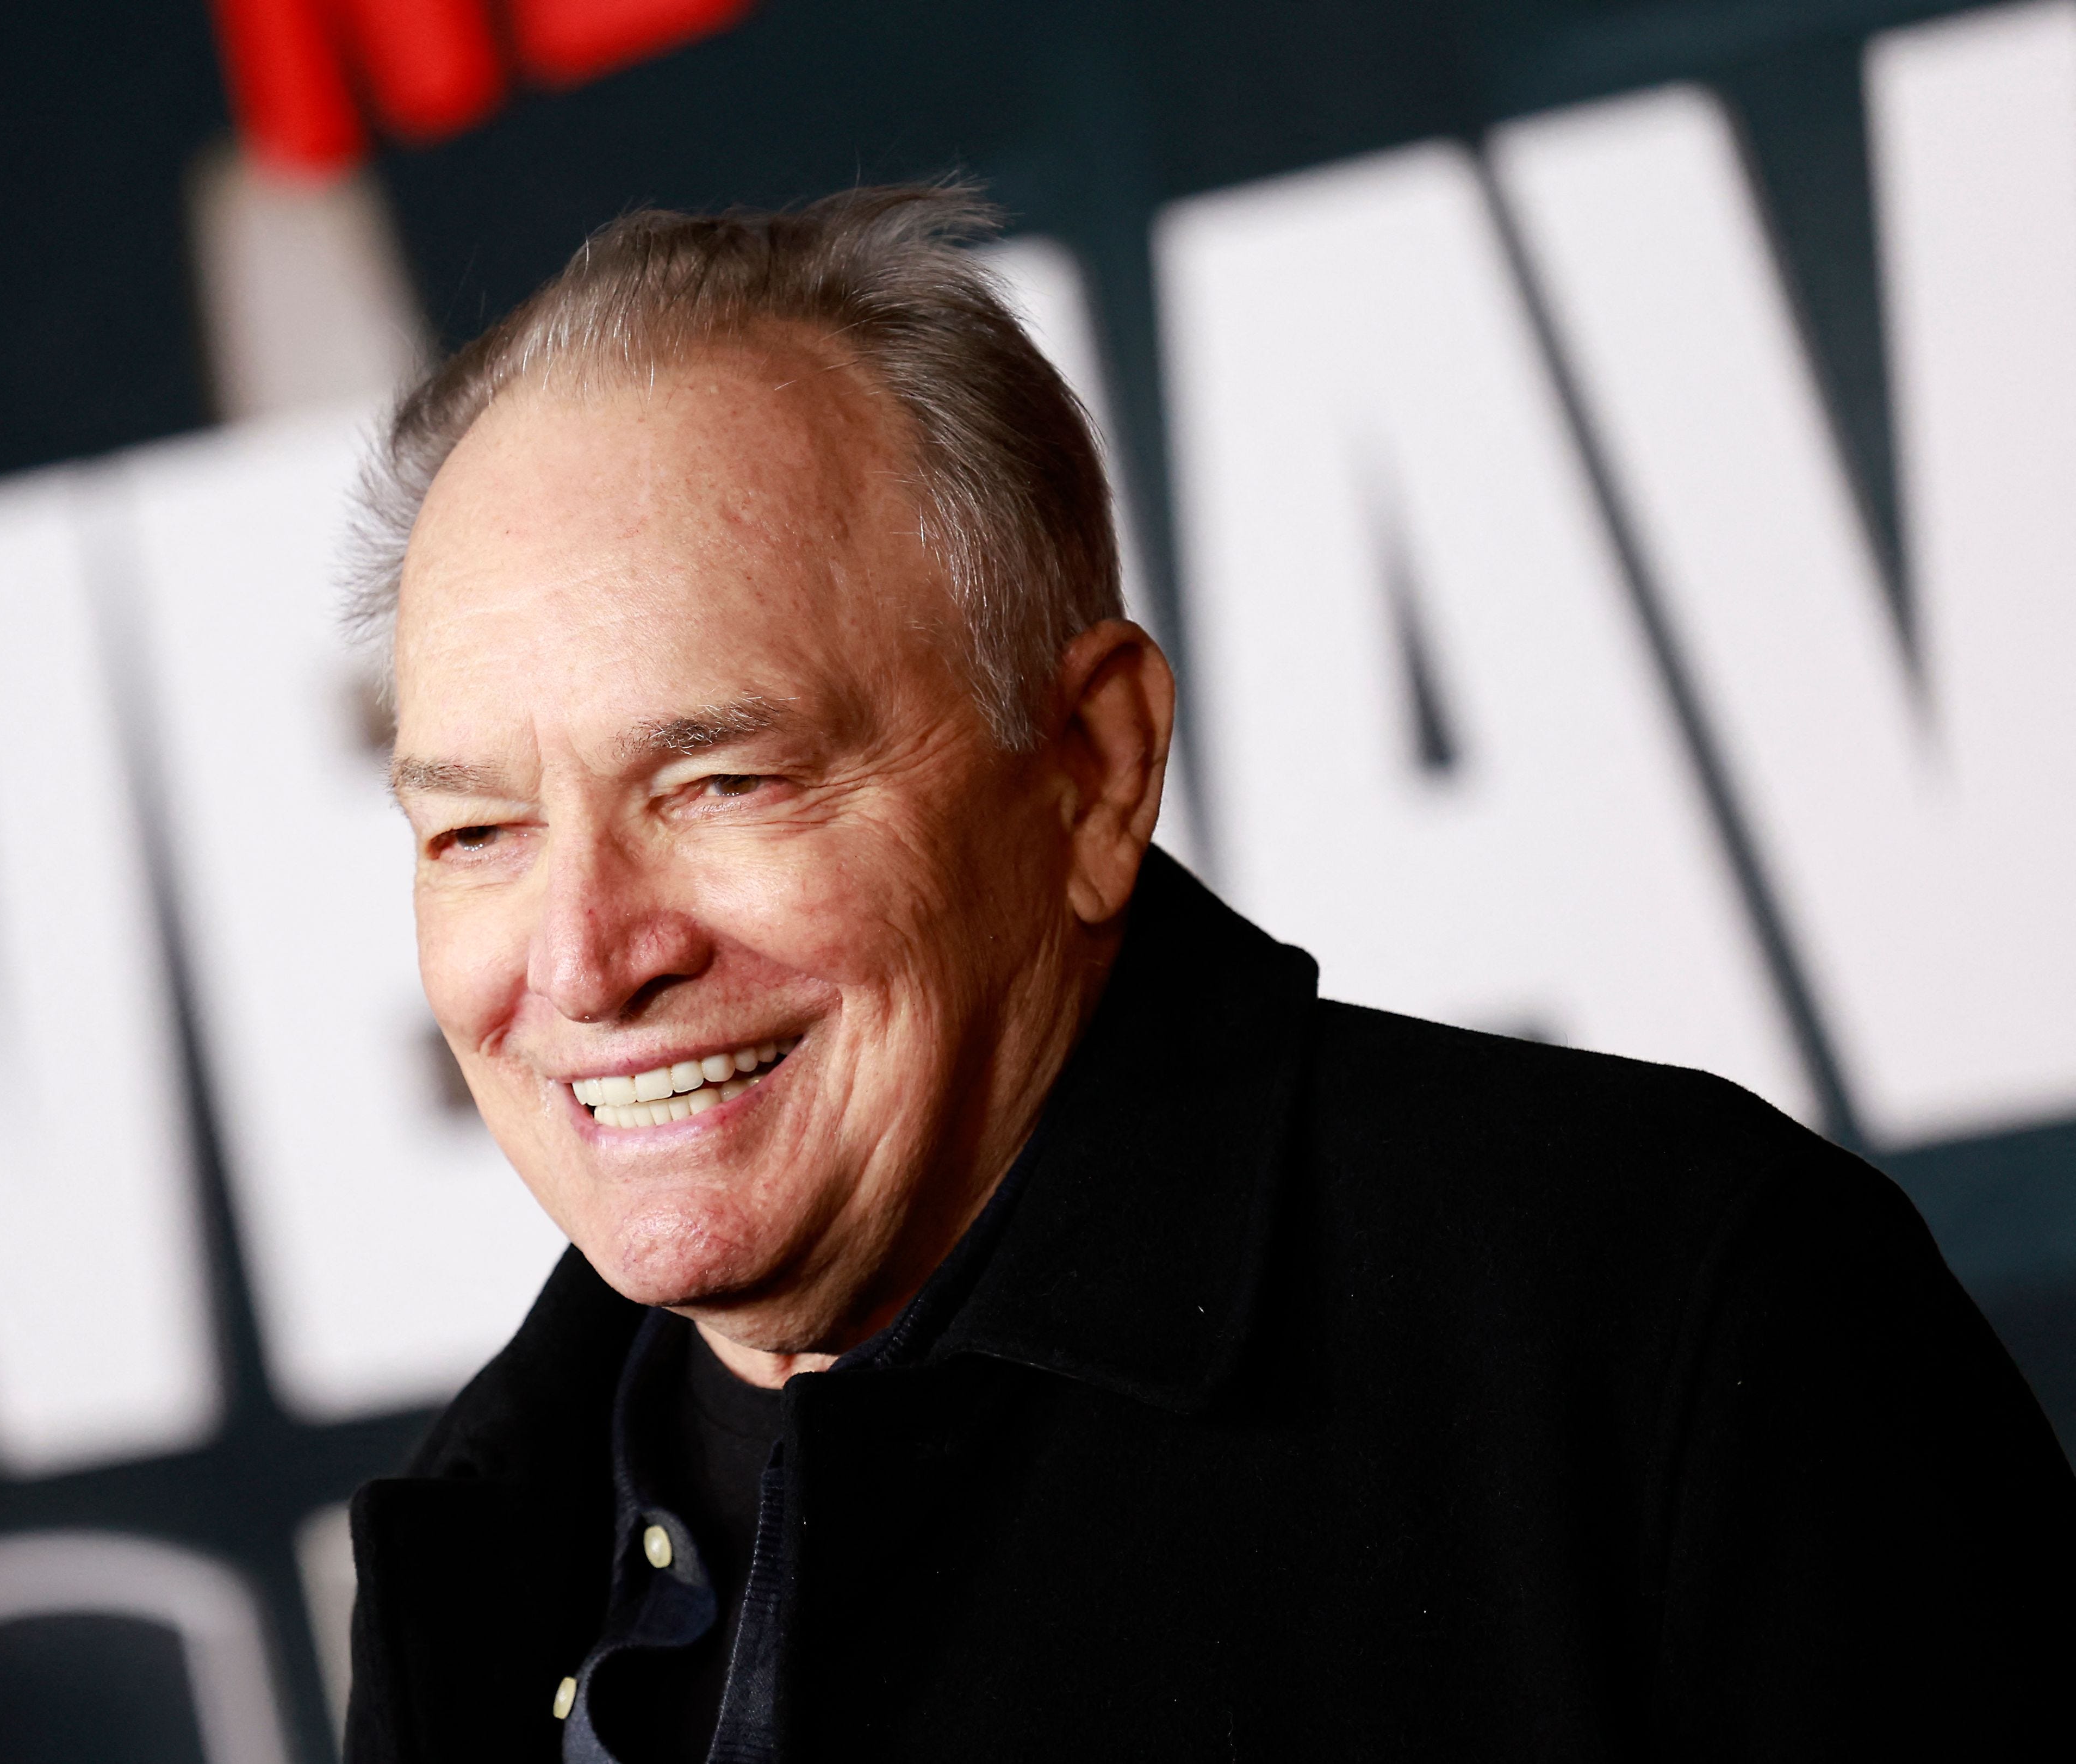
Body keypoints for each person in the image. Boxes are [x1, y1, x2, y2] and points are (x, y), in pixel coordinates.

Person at [341, 184, 2074, 1762]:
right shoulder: (487, 1527)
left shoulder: (1670, 1328)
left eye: (724, 782)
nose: (581, 952)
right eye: (476, 830)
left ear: (1092, 770)